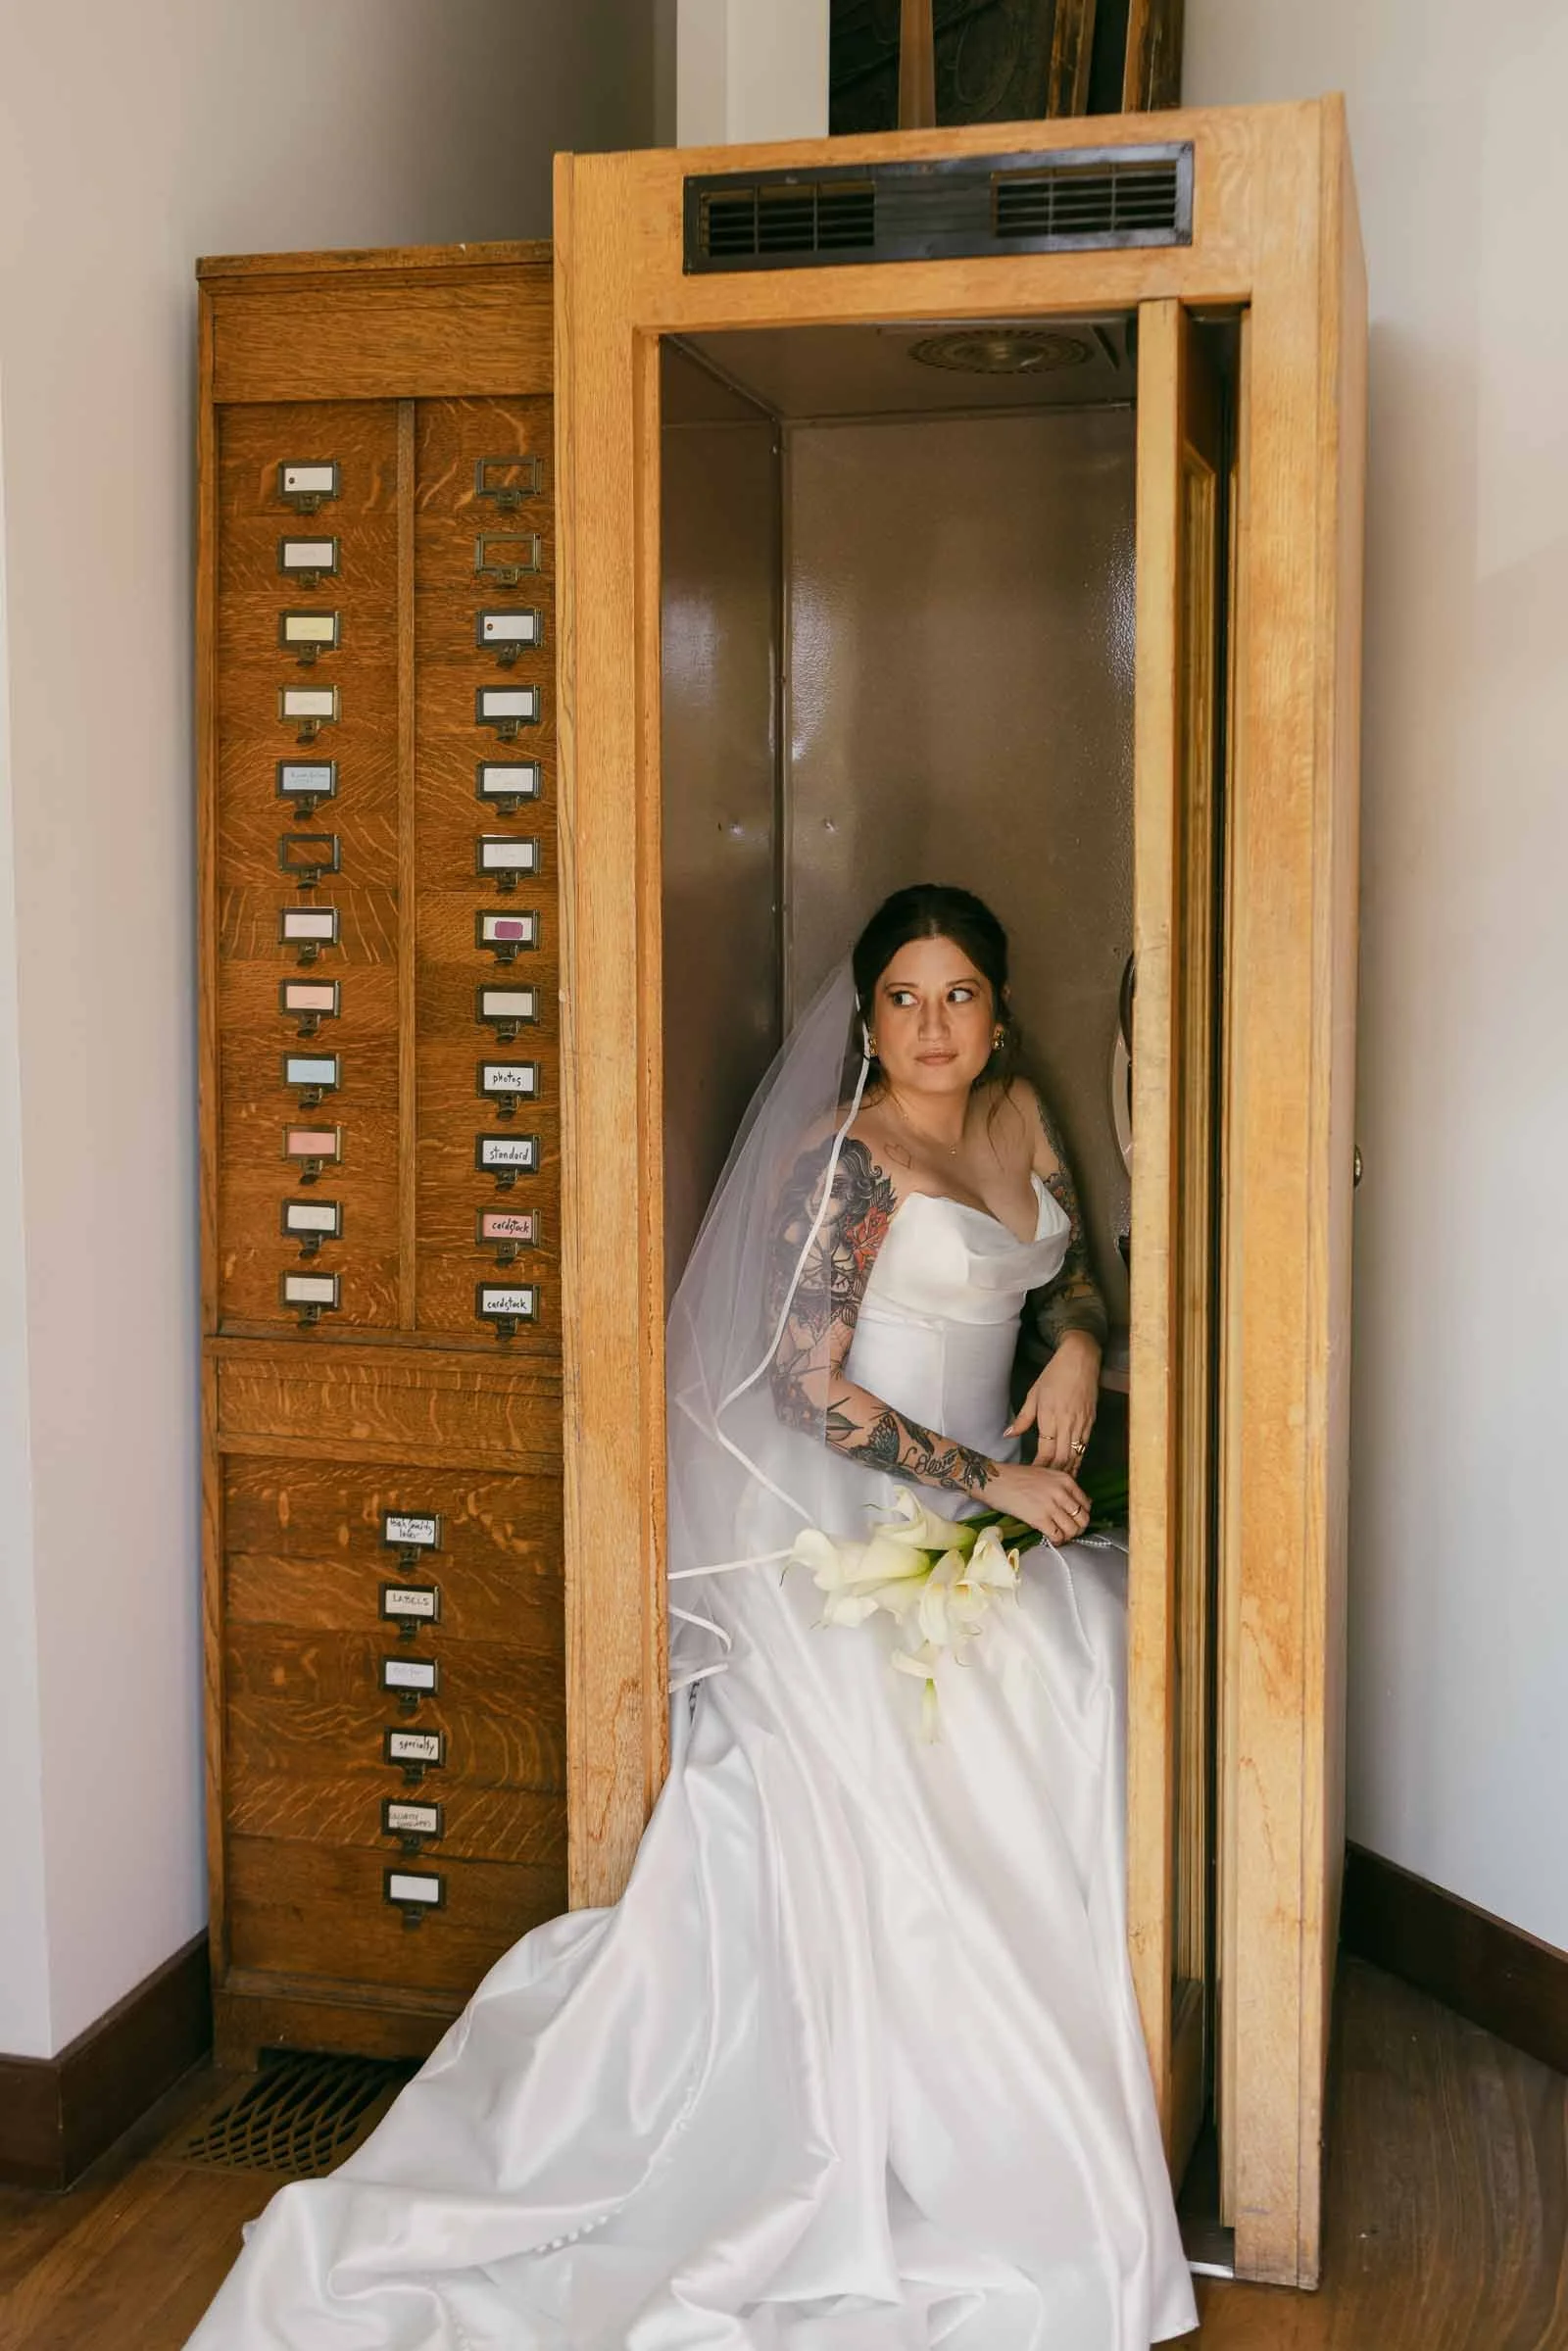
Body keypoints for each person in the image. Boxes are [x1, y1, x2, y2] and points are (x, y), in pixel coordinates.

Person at [186, 884, 1198, 2350]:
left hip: (999, 1504)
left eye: (960, 994)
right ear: (865, 1021)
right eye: (905, 1000)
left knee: (1104, 1640)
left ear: (999, 1009)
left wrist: (1086, 1337)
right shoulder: (844, 1165)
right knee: (1021, 1682)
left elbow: (1075, 1266)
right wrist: (984, 1483)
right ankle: (984, 2127)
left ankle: (1127, 2071)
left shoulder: (1023, 1113)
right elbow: (804, 1385)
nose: (933, 1026)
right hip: (868, 1512)